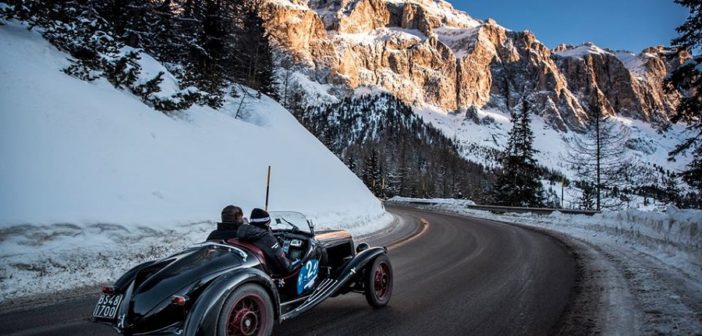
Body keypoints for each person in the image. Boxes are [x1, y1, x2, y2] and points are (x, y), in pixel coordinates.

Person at [238, 208, 296, 274]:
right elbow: (285, 267)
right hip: (271, 274)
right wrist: (293, 261)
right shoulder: (268, 239)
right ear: (266, 224)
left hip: (252, 270)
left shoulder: (241, 234)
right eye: (268, 223)